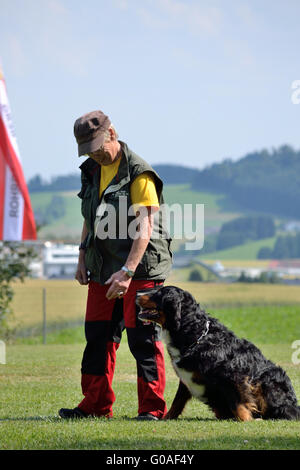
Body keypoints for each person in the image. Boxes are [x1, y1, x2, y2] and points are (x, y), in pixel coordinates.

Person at [59, 110, 173, 421]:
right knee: (97, 335)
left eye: (97, 146)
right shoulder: (92, 170)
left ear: (112, 134)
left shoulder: (139, 173)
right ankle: (95, 406)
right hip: (102, 265)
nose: (94, 154)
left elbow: (144, 228)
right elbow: (89, 217)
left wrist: (127, 272)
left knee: (143, 339)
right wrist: (82, 257)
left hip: (141, 267)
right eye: (88, 150)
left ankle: (151, 409)